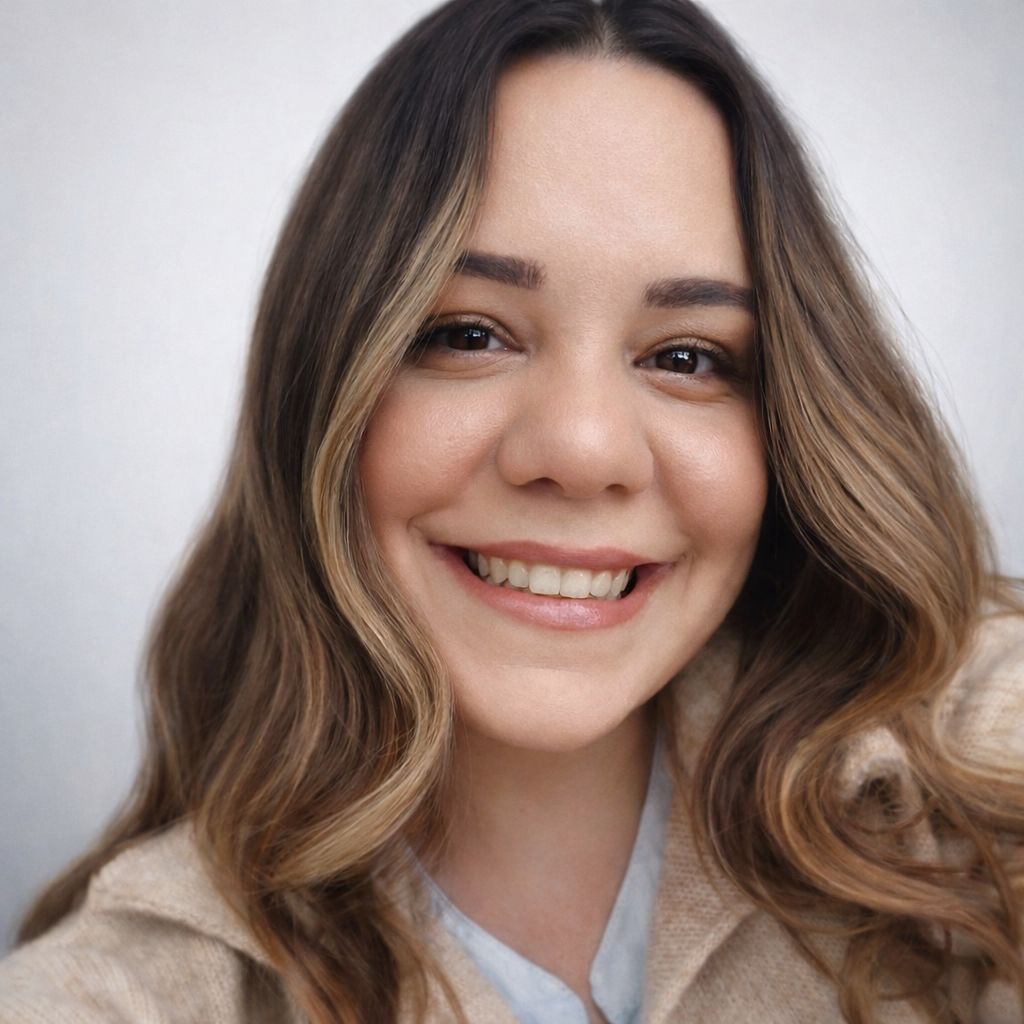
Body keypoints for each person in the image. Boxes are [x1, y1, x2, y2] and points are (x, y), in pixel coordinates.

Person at [2, 1, 1022, 1021]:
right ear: (320, 388)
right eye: (468, 334)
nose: (581, 451)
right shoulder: (118, 996)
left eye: (685, 356)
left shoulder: (968, 782)